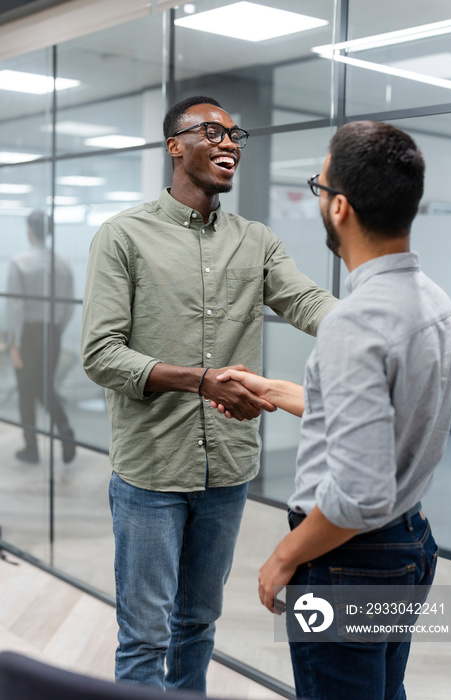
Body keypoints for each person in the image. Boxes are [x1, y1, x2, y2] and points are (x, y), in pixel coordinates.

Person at [80, 95, 338, 691]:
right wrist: (199, 381)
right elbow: (101, 354)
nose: (230, 143)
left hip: (226, 469)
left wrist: (380, 320)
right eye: (212, 132)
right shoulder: (123, 235)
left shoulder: (256, 240)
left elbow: (306, 301)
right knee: (144, 634)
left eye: (235, 134)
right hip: (151, 471)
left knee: (198, 622)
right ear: (175, 145)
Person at [214, 121, 451, 700]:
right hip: (407, 545)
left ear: (340, 208)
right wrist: (271, 390)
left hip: (347, 561)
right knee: (382, 692)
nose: (320, 198)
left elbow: (359, 495)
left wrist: (283, 557)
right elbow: (378, 423)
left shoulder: (355, 322)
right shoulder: (436, 301)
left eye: (319, 188)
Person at [7, 210, 75, 464]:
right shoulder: (63, 262)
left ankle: (32, 448)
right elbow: (68, 306)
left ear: (30, 231)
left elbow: (16, 308)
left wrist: (14, 343)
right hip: (52, 333)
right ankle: (65, 432)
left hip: (28, 334)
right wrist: (57, 330)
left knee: (28, 391)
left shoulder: (20, 262)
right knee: (45, 387)